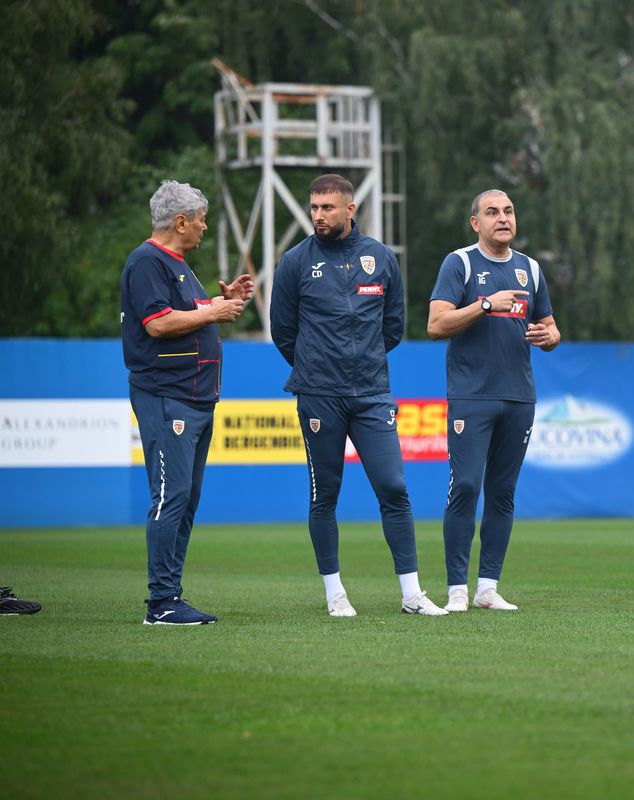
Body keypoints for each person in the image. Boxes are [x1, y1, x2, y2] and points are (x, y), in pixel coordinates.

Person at [270, 174, 446, 617]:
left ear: (350, 209)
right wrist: (317, 365)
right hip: (318, 395)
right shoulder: (294, 261)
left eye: (327, 207)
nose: (318, 215)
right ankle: (335, 594)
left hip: (371, 393)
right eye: (314, 207)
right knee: (325, 495)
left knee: (394, 488)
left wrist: (360, 361)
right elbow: (283, 331)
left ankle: (412, 595)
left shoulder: (380, 258)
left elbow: (393, 327)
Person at [120, 179, 253, 625]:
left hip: (194, 397)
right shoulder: (147, 261)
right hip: (167, 395)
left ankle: (171, 594)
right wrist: (213, 312)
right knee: (170, 496)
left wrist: (221, 301)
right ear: (180, 222)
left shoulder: (176, 265)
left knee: (185, 498)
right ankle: (160, 602)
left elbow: (186, 315)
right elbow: (158, 324)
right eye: (201, 220)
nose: (204, 227)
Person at [427, 189, 560, 612]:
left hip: (519, 396)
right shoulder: (460, 263)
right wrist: (484, 304)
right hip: (472, 395)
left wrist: (549, 336)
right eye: (492, 212)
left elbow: (551, 327)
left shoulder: (530, 268)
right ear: (476, 223)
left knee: (503, 491)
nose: (502, 218)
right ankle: (456, 590)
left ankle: (487, 588)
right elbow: (436, 324)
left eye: (508, 211)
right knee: (466, 486)